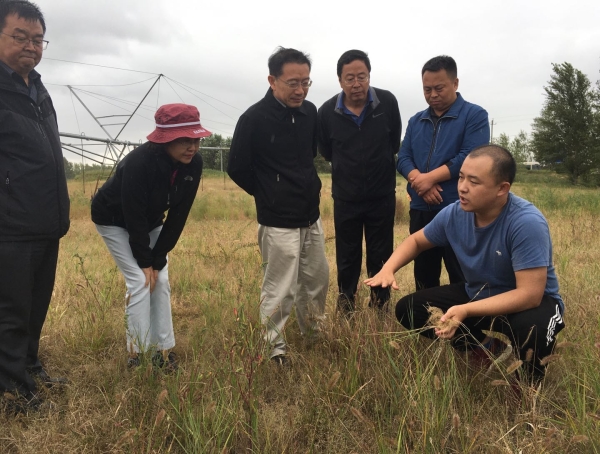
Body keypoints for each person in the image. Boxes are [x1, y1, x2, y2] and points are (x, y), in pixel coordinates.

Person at [366, 145, 565, 382]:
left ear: (502, 188)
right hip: (478, 293)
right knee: (410, 309)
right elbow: (416, 241)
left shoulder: (525, 222)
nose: (462, 187)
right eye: (461, 177)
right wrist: (388, 268)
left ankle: (526, 388)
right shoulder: (454, 214)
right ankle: (489, 350)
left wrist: (466, 310)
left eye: (474, 181)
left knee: (534, 330)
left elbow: (530, 295)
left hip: (529, 304)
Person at [227, 47, 329, 366]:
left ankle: (314, 334)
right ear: (272, 80)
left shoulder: (310, 112)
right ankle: (275, 348)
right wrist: (268, 193)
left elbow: (309, 155)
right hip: (277, 219)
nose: (300, 90)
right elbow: (236, 167)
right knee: (280, 286)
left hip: (310, 215)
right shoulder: (253, 119)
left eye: (305, 82)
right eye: (292, 83)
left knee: (316, 279)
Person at [91, 104, 210, 370]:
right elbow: (133, 216)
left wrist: (158, 259)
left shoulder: (194, 164)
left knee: (161, 279)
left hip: (152, 220)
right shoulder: (139, 163)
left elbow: (178, 215)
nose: (192, 147)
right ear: (165, 139)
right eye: (185, 140)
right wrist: (145, 261)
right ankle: (138, 355)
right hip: (113, 219)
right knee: (139, 281)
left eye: (196, 139)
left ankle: (163, 351)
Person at [0, 0, 70, 412]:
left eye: (38, 39)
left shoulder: (37, 89)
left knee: (34, 306)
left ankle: (28, 366)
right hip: (10, 226)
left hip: (45, 220)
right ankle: (12, 389)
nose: (31, 45)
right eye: (20, 36)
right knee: (10, 310)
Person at [317, 49, 401, 315]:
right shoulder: (326, 111)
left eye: (361, 77)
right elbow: (326, 151)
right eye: (350, 78)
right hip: (346, 198)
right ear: (340, 80)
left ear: (369, 76)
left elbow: (394, 143)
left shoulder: (387, 102)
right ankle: (346, 306)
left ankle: (380, 305)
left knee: (381, 254)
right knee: (347, 255)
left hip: (381, 196)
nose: (356, 84)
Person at [397, 55, 489, 290]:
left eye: (439, 88)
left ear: (455, 83)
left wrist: (428, 179)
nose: (432, 95)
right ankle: (425, 314)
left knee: (462, 274)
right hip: (421, 208)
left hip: (459, 208)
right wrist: (419, 182)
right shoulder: (416, 120)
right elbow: (403, 157)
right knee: (424, 275)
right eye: (427, 89)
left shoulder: (474, 115)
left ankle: (465, 314)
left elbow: (470, 157)